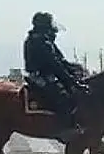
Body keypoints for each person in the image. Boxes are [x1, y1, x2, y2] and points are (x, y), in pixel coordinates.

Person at [23, 12, 89, 140]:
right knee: (63, 98)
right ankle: (64, 130)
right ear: (44, 26)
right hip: (40, 76)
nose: (53, 31)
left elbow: (61, 61)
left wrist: (75, 69)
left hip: (46, 74)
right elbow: (55, 65)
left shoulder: (44, 40)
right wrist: (71, 81)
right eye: (50, 26)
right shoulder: (40, 41)